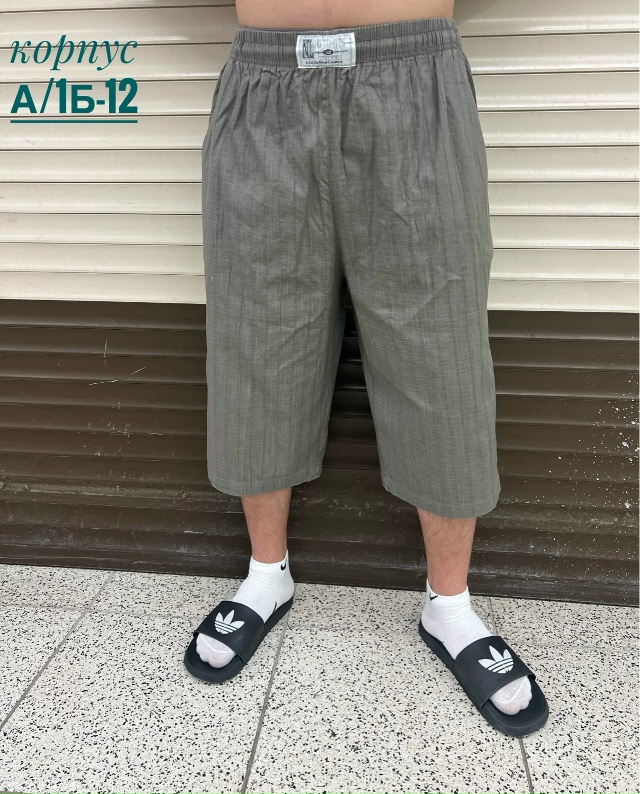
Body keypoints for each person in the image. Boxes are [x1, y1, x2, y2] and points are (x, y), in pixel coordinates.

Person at [184, 0, 549, 737]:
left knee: (439, 351)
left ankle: (450, 605)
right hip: (264, 86)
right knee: (257, 335)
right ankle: (265, 575)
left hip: (416, 81)